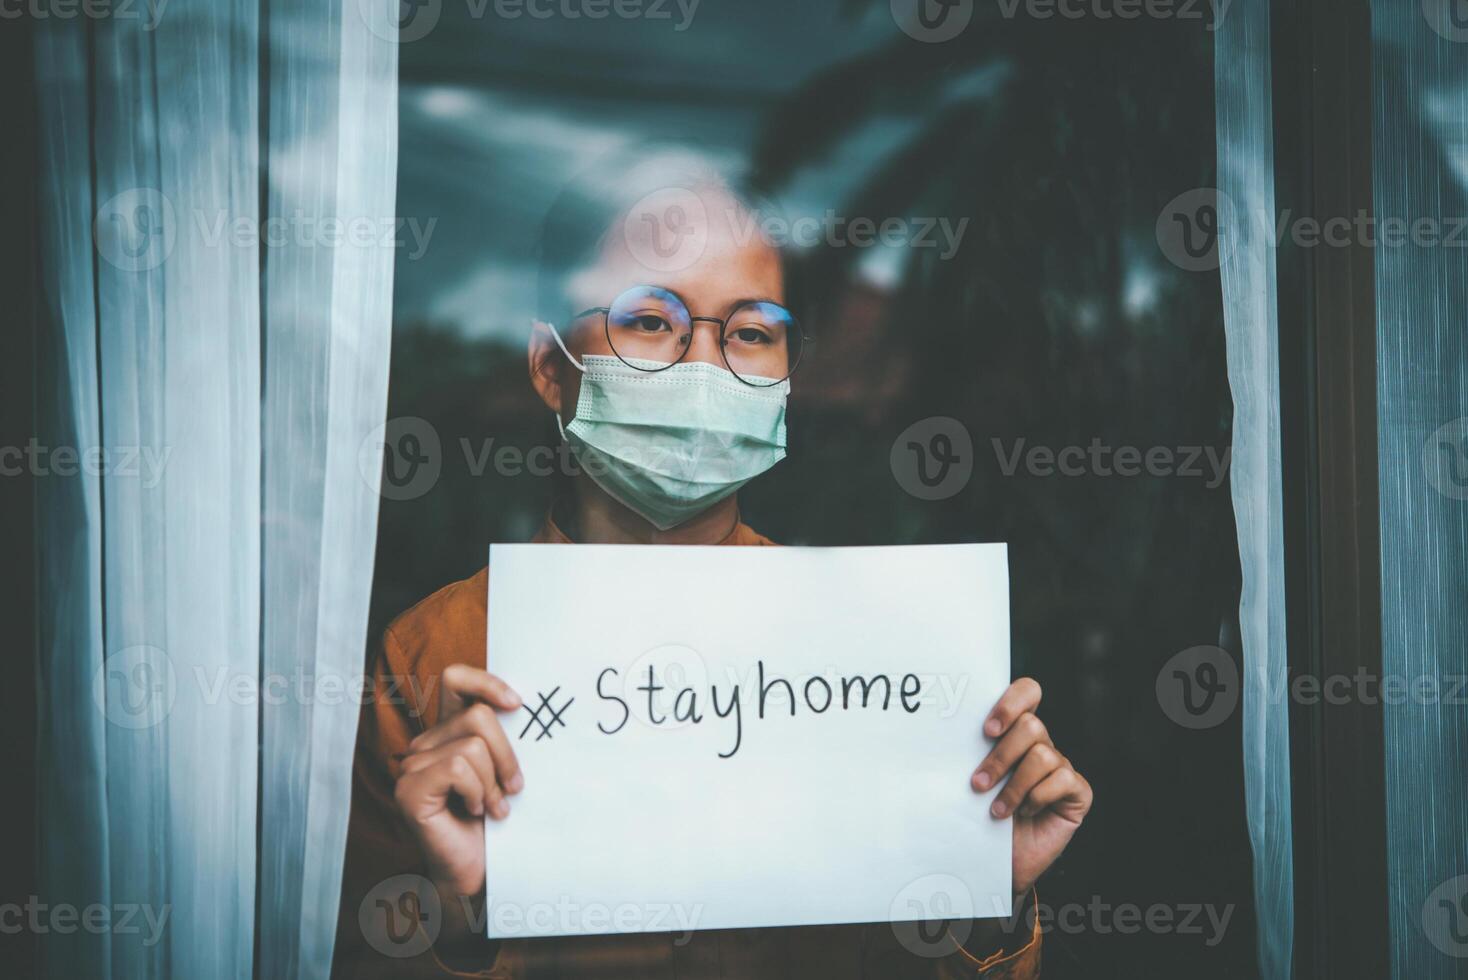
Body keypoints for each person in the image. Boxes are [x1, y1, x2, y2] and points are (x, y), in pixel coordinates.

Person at [334, 151, 1093, 979]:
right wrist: (455, 917)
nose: (704, 367)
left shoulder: (876, 651)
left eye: (752, 332)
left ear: (786, 380)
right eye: (651, 321)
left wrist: (984, 894)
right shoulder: (432, 661)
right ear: (552, 367)